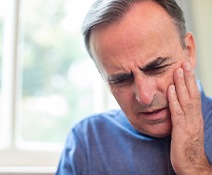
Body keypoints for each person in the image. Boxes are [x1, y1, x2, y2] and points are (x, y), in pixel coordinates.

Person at [56, 0, 212, 174]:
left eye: (156, 67)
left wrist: (195, 166)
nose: (145, 97)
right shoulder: (86, 143)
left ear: (189, 51)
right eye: (121, 79)